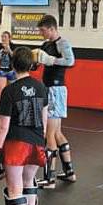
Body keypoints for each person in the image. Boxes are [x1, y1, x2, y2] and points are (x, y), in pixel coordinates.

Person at [0, 46, 49, 205]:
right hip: (37, 141)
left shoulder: (9, 90)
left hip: (16, 143)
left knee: (14, 188)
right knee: (29, 181)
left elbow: (3, 125)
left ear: (13, 65)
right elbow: (44, 119)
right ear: (31, 65)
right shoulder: (41, 87)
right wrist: (42, 140)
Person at [33, 15, 77, 188]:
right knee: (57, 133)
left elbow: (70, 61)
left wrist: (51, 60)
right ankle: (69, 172)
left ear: (52, 28)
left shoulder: (62, 43)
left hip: (55, 90)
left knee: (49, 135)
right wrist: (33, 60)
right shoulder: (45, 45)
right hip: (48, 88)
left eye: (43, 30)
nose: (41, 33)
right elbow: (39, 62)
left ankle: (49, 178)